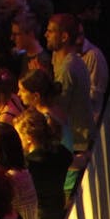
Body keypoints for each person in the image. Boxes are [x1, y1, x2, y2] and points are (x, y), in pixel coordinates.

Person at [44, 14, 94, 151]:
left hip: (75, 143)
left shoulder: (67, 69)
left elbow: (59, 110)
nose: (45, 34)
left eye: (51, 31)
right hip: (77, 140)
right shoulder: (71, 62)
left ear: (64, 37)